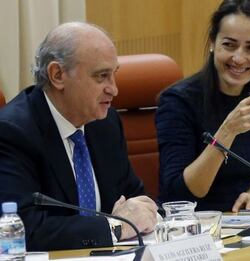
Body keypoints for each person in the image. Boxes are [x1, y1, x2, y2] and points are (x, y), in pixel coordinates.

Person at [0, 22, 158, 251]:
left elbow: (135, 199)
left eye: (114, 75)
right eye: (101, 76)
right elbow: (23, 229)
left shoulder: (106, 124)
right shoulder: (13, 132)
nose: (114, 89)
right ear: (58, 75)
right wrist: (114, 227)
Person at [156, 0, 250, 212]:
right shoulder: (177, 101)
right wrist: (228, 130)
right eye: (229, 45)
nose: (239, 58)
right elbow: (178, 193)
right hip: (196, 228)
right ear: (213, 42)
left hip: (245, 223)